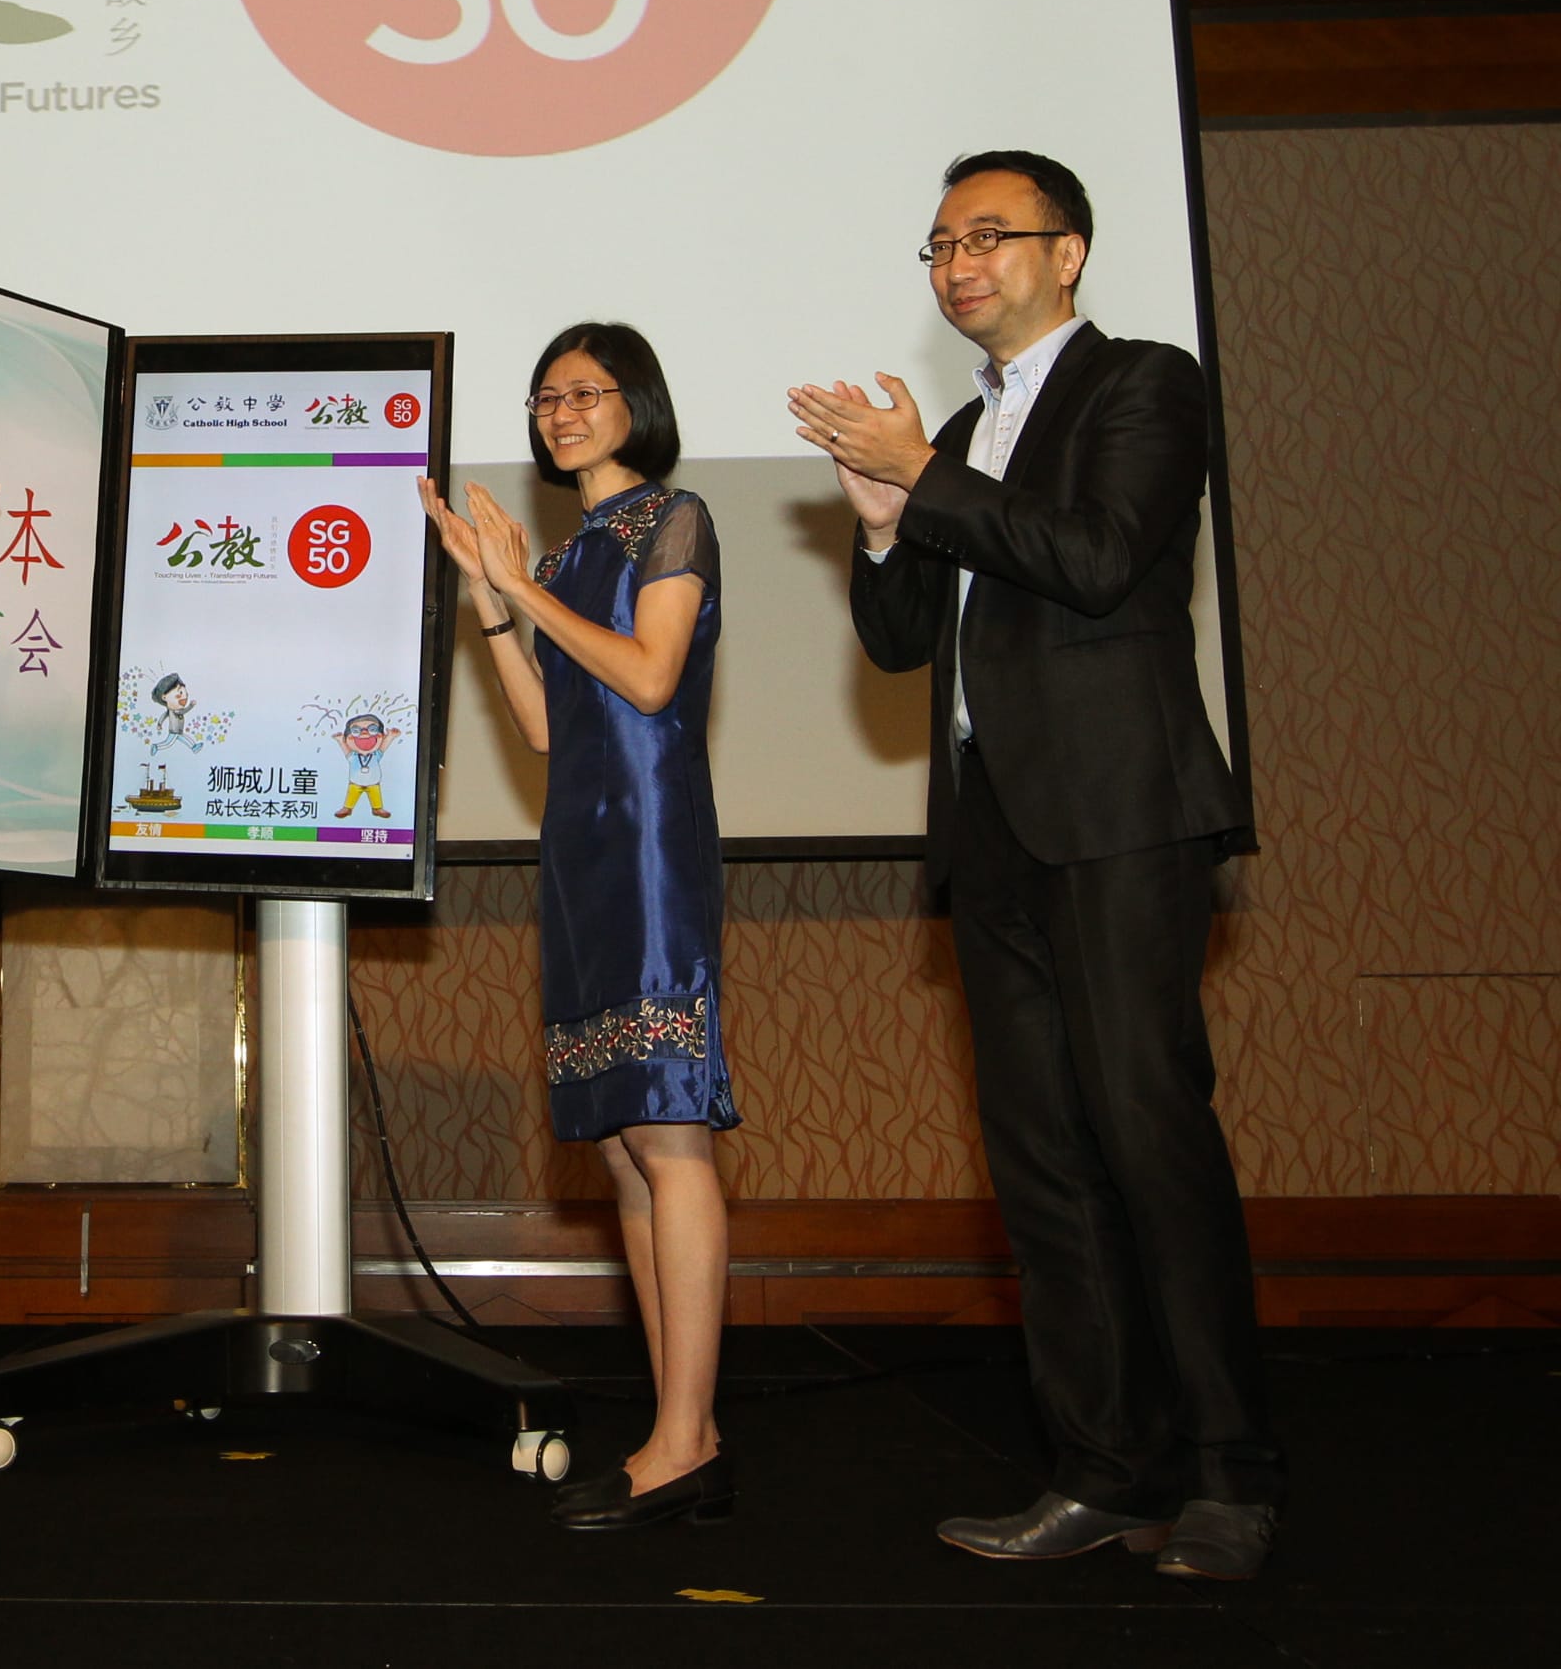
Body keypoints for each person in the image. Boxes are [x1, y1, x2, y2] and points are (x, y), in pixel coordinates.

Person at [788, 151, 1278, 1581]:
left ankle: (1231, 1476)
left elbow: (1102, 557)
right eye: (941, 244)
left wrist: (923, 478)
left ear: (1068, 255)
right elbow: (900, 645)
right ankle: (1105, 1470)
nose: (958, 264)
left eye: (988, 237)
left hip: (1120, 814)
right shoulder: (953, 429)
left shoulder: (1144, 385)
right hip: (992, 824)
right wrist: (883, 523)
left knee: (1147, 1135)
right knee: (1043, 1164)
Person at [420, 322, 738, 1532]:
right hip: (578, 852)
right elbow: (547, 729)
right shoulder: (559, 556)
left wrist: (524, 594)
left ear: (634, 402)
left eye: (583, 392)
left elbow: (650, 677)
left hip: (650, 846)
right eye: (544, 397)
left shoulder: (675, 520)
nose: (560, 412)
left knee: (669, 1129)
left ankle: (683, 1438)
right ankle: (684, 1429)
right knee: (617, 1146)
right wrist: (492, 602)